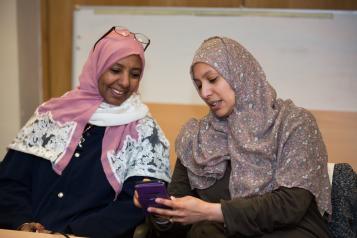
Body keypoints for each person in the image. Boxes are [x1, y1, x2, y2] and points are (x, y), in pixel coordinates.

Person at [134, 36, 332, 237]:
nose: (205, 92)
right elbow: (177, 218)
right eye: (198, 84)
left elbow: (292, 205)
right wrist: (161, 210)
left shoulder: (292, 123)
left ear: (240, 73)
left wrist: (211, 212)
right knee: (202, 232)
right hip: (223, 233)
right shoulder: (195, 139)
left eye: (212, 79)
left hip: (290, 231)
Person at [0, 26, 171, 238]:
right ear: (97, 67)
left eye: (135, 74)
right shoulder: (51, 115)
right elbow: (10, 181)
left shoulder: (145, 132)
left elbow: (133, 206)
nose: (125, 82)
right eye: (116, 70)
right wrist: (20, 223)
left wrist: (71, 233)